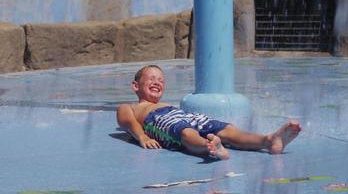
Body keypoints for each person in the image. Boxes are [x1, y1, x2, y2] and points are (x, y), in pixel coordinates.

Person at [116, 65, 301, 160]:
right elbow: (127, 122)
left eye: (161, 80)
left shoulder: (165, 102)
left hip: (183, 114)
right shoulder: (131, 107)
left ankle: (268, 141)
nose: (157, 82)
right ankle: (209, 147)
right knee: (185, 133)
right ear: (135, 86)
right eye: (151, 79)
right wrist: (142, 137)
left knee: (226, 129)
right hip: (157, 120)